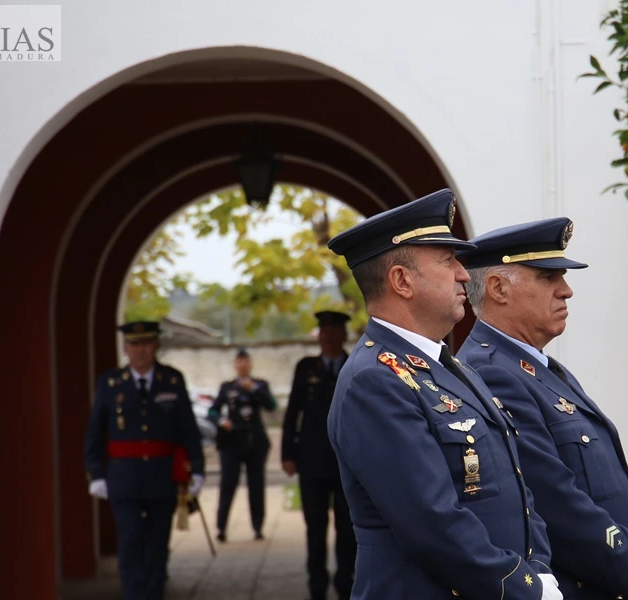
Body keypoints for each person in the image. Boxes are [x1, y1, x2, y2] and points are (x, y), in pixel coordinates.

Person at [324, 188, 563, 600]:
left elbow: (516, 486)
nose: (462, 274)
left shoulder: (450, 365)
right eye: (447, 260)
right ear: (401, 281)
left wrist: (539, 570)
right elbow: (432, 522)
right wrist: (523, 586)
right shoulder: (375, 380)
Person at [456, 218, 628, 600]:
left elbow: (612, 480)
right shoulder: (491, 372)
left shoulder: (535, 365)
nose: (567, 291)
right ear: (498, 288)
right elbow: (555, 501)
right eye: (548, 278)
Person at [84, 320, 206, 600]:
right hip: (123, 479)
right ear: (125, 348)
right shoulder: (111, 383)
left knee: (157, 546)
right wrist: (96, 473)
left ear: (157, 345)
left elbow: (188, 429)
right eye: (134, 344)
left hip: (161, 478)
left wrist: (197, 470)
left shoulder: (172, 381)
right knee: (129, 542)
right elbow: (94, 431)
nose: (141, 350)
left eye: (147, 343)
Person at [281, 309, 358, 599]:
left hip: (346, 462)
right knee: (315, 528)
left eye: (333, 331)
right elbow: (292, 413)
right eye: (323, 331)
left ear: (343, 335)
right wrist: (287, 453)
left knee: (347, 528)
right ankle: (316, 585)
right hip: (311, 460)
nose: (328, 336)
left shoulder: (355, 363)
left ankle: (345, 582)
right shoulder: (306, 368)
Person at [208, 347, 277, 542]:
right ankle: (221, 527)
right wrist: (222, 421)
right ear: (235, 365)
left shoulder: (259, 385)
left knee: (256, 485)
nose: (242, 365)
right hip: (232, 442)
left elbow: (271, 405)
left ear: (250, 363)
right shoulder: (227, 387)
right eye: (239, 362)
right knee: (228, 484)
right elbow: (212, 412)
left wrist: (254, 389)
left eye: (245, 361)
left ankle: (257, 527)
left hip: (255, 442)